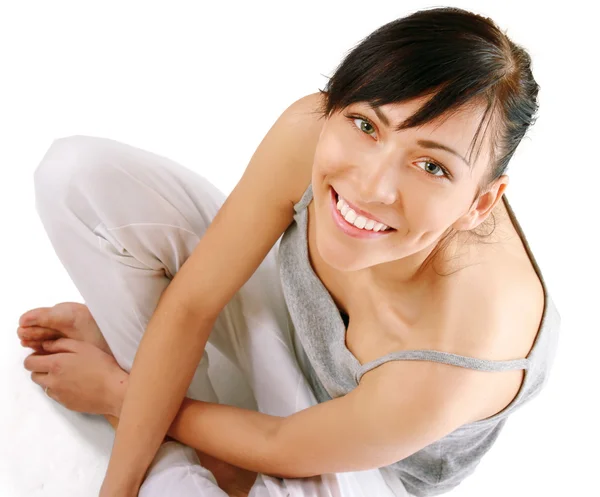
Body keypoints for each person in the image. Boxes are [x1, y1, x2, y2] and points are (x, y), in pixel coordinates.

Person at [17, 6, 560, 497]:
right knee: (77, 176)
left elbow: (282, 442)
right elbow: (192, 304)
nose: (372, 186)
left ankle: (182, 437)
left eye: (432, 166)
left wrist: (117, 394)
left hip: (360, 466)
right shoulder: (314, 128)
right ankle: (198, 440)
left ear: (480, 202)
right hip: (285, 337)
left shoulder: (464, 349)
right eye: (367, 124)